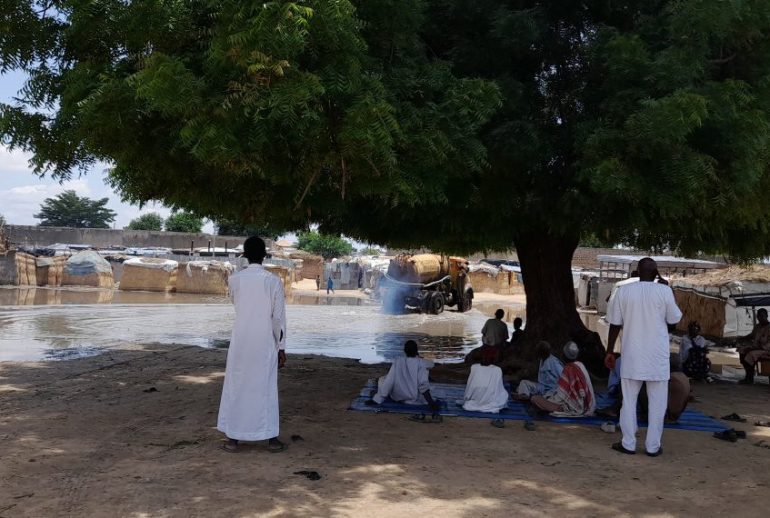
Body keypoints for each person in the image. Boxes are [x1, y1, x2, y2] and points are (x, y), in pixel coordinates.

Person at [606, 257, 682, 457]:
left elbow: (614, 324)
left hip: (632, 357)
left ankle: (628, 443)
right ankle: (652, 447)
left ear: (637, 271)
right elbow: (674, 320)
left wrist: (609, 351)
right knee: (657, 404)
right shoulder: (664, 291)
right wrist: (668, 290)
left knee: (628, 402)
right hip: (657, 359)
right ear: (656, 272)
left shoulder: (624, 292)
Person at [218, 236, 287, 453]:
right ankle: (271, 439)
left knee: (237, 385)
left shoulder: (234, 280)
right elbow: (278, 319)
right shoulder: (273, 282)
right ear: (264, 255)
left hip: (240, 341)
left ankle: (233, 438)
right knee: (265, 388)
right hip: (264, 341)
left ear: (245, 255)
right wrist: (282, 347)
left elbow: (237, 305)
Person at [367, 340, 440, 410]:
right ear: (417, 351)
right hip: (412, 397)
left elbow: (389, 381)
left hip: (397, 395)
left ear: (404, 351)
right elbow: (423, 385)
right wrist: (431, 403)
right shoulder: (420, 363)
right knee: (429, 387)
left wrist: (377, 399)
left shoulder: (398, 361)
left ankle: (380, 393)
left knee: (383, 380)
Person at [531, 341, 596, 416]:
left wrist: (548, 399)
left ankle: (560, 408)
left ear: (565, 355)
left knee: (535, 399)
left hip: (573, 408)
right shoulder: (580, 365)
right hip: (589, 406)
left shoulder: (568, 369)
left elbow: (560, 397)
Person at [462, 346, 509, 413]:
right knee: (504, 395)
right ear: (494, 358)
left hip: (475, 398)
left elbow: (470, 386)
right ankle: (487, 403)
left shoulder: (474, 367)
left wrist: (466, 397)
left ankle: (479, 402)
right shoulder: (497, 370)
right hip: (490, 399)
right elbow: (498, 389)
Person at [738, 308, 770, 384]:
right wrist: (742, 338)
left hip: (766, 350)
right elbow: (752, 335)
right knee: (742, 350)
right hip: (756, 348)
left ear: (767, 316)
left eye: (762, 316)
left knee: (750, 354)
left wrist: (755, 348)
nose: (760, 318)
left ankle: (749, 378)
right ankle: (749, 375)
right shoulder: (757, 326)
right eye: (758, 317)